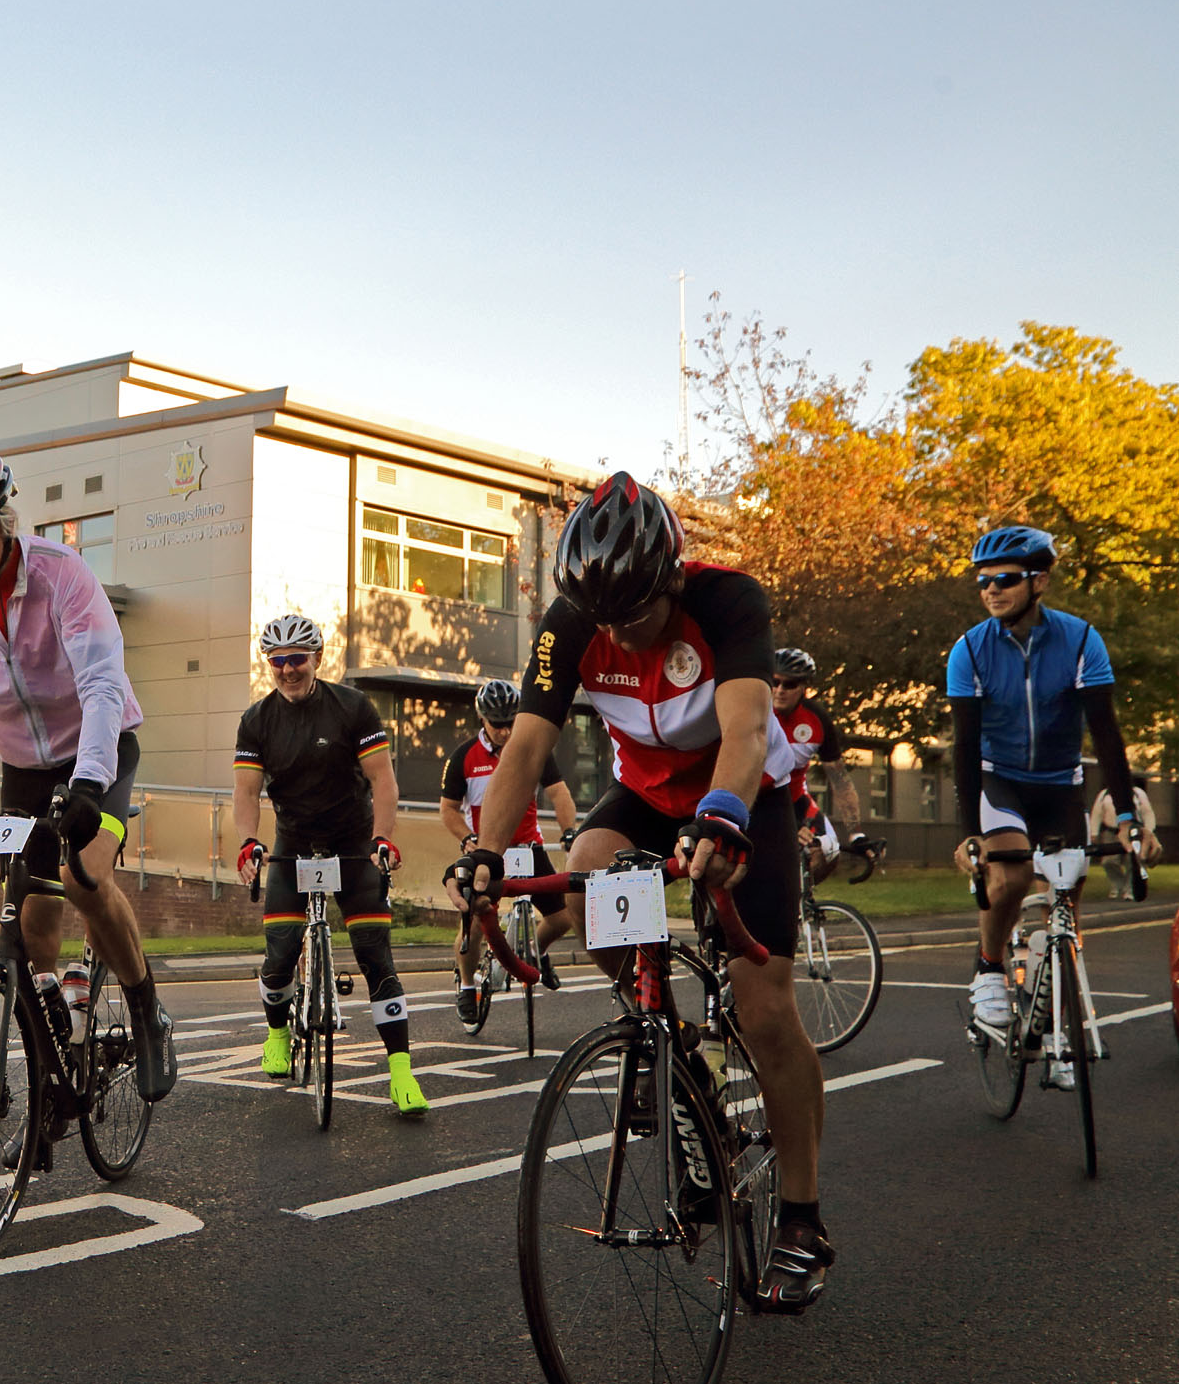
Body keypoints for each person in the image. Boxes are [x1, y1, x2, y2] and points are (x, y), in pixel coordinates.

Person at [446, 471, 833, 1312]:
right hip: (650, 797)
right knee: (586, 876)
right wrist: (482, 854)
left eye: (638, 613)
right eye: (605, 618)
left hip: (742, 796)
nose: (620, 633)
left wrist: (723, 816)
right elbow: (524, 751)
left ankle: (801, 1216)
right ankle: (680, 1054)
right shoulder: (572, 623)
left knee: (765, 1009)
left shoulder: (729, 602)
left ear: (670, 579)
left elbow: (743, 730)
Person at [0, 449, 177, 1114]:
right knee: (30, 924)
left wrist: (88, 782)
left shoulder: (61, 574)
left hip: (97, 750)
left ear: (4, 520)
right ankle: (54, 1069)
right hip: (21, 765)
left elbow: (103, 685)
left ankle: (146, 1009)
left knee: (82, 875)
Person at [947, 526, 1160, 1053]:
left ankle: (1054, 988)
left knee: (1067, 893)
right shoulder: (969, 651)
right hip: (1000, 779)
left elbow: (1107, 734)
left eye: (1005, 579)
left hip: (1061, 782)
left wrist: (1129, 819)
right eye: (983, 581)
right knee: (1012, 877)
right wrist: (970, 833)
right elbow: (965, 747)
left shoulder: (1081, 640)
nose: (991, 589)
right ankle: (990, 969)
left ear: (1039, 581)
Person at [231, 614, 420, 1115]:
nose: (288, 670)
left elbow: (382, 781)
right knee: (278, 956)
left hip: (352, 840)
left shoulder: (353, 707)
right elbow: (247, 791)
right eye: (278, 661)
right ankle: (276, 1033)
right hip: (293, 842)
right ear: (268, 663)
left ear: (318, 657)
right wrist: (249, 841)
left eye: (298, 659)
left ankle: (400, 1069)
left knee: (376, 957)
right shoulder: (256, 720)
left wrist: (383, 838)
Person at [439, 677, 578, 1025]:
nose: (504, 732)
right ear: (482, 720)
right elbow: (448, 809)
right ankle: (468, 986)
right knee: (471, 924)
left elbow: (560, 794)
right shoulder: (463, 757)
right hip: (486, 851)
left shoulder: (531, 748)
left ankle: (536, 953)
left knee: (564, 917)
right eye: (497, 725)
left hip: (528, 847)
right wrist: (467, 838)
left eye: (511, 723)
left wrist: (569, 831)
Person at [770, 648, 869, 884]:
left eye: (790, 684)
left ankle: (800, 904)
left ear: (804, 687)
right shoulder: (756, 712)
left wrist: (856, 833)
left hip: (794, 799)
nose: (780, 690)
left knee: (829, 851)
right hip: (756, 800)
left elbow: (840, 781)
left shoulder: (817, 719)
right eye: (774, 682)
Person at [1088, 784, 1158, 901]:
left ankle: (1129, 890)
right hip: (1111, 832)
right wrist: (1094, 832)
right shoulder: (1105, 794)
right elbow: (1097, 813)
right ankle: (1118, 884)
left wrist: (1149, 830)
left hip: (1133, 831)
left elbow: (1147, 812)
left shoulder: (1137, 793)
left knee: (1132, 862)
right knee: (1108, 862)